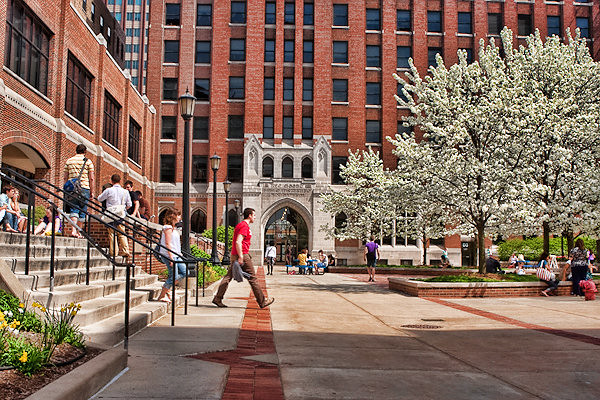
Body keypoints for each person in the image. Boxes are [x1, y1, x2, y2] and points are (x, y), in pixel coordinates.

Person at [212, 208, 274, 308]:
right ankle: (262, 302)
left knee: (228, 277)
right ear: (249, 215)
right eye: (254, 215)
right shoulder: (244, 226)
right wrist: (241, 256)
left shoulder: (242, 225)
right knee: (253, 278)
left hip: (236, 254)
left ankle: (218, 298)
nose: (255, 217)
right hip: (242, 255)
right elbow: (238, 241)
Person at [156, 208, 187, 303]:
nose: (180, 217)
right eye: (178, 215)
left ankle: (168, 288)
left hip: (177, 255)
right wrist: (170, 258)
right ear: (173, 216)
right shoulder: (167, 228)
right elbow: (168, 244)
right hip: (169, 255)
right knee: (173, 275)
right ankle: (162, 295)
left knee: (184, 272)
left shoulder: (173, 228)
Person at [98, 174, 132, 259]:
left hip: (111, 213)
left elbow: (100, 199)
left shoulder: (109, 190)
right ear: (120, 181)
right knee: (122, 233)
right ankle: (125, 250)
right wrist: (123, 208)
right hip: (120, 214)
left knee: (112, 234)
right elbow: (129, 204)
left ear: (111, 181)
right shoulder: (125, 191)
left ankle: (114, 252)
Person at [64, 144, 94, 238]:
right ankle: (79, 232)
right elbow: (91, 178)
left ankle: (73, 230)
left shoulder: (69, 161)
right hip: (84, 187)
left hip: (72, 188)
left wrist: (65, 188)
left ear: (76, 150)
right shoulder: (88, 162)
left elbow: (65, 177)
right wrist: (92, 192)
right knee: (82, 210)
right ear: (85, 151)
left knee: (74, 209)